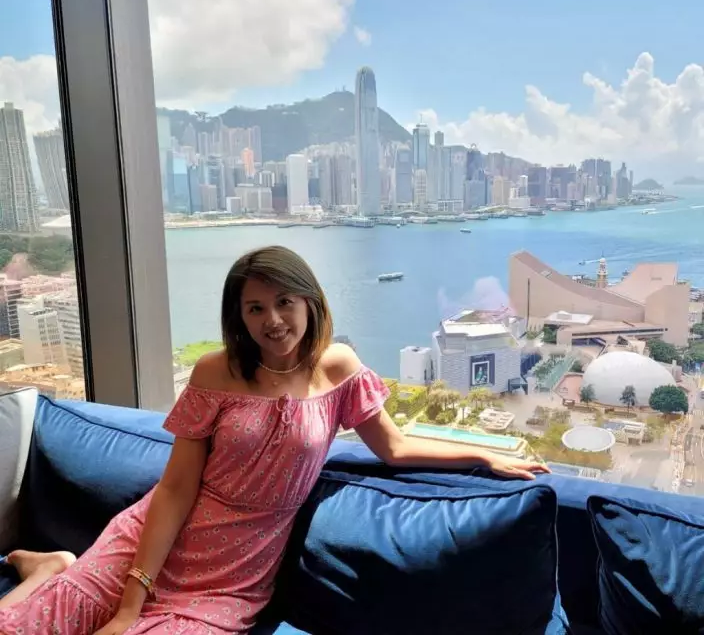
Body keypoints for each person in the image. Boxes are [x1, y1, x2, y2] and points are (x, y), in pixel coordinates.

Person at [0, 245, 549, 634]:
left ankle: (54, 571)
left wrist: (484, 454)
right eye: (255, 307)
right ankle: (54, 569)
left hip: (231, 575)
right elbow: (175, 489)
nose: (274, 320)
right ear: (239, 316)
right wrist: (129, 604)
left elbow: (394, 448)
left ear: (310, 301)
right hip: (149, 545)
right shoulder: (215, 373)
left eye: (285, 301)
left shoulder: (339, 369)